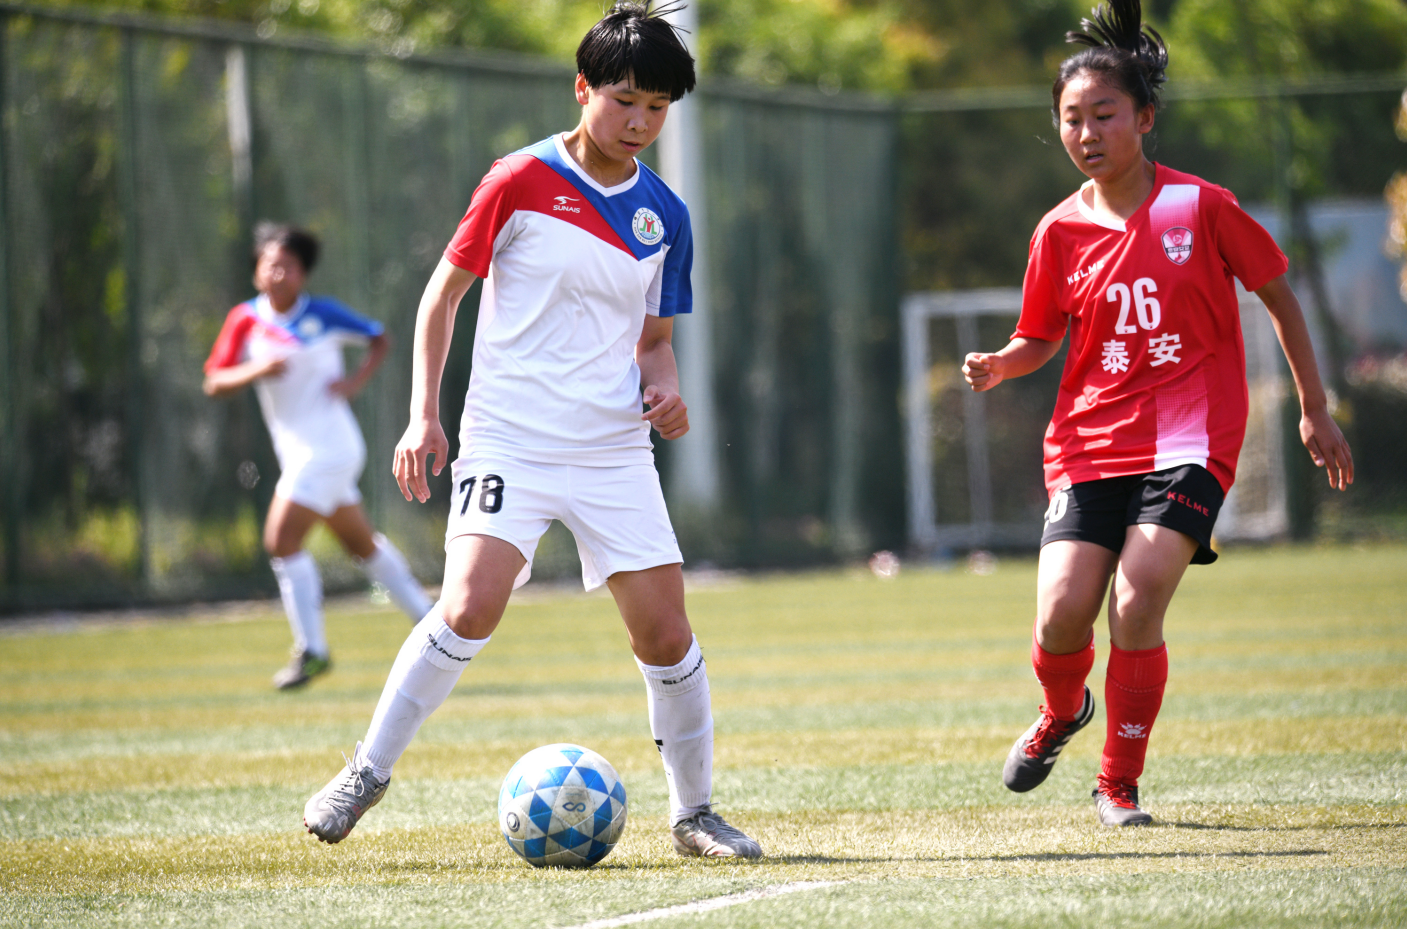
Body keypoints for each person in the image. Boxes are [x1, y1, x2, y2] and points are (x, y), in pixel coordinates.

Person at [301, 2, 762, 859]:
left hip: (613, 448)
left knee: (665, 634)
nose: (639, 121)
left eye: (657, 107)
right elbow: (442, 297)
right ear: (582, 88)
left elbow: (654, 343)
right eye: (624, 99)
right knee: (467, 607)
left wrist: (666, 392)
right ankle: (365, 772)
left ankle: (694, 814)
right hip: (510, 438)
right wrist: (423, 414)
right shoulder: (517, 178)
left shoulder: (665, 214)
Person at [963, 0, 1353, 826]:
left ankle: (1117, 782)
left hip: (1190, 438)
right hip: (1087, 443)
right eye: (1071, 118)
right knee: (1060, 615)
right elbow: (1039, 337)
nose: (1086, 132)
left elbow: (1279, 297)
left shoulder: (1201, 207)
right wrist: (1002, 362)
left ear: (1143, 118)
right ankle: (1062, 709)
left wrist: (1313, 408)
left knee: (1136, 604)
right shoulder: (1057, 231)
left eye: (1103, 114)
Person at [204, 223, 435, 689]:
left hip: (330, 449)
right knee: (362, 545)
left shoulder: (322, 314)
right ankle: (432, 623)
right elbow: (214, 381)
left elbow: (380, 338)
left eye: (289, 266)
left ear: (303, 274)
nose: (279, 273)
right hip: (300, 455)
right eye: (270, 264)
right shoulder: (244, 320)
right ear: (256, 272)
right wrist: (257, 368)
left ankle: (312, 651)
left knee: (280, 540)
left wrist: (354, 383)